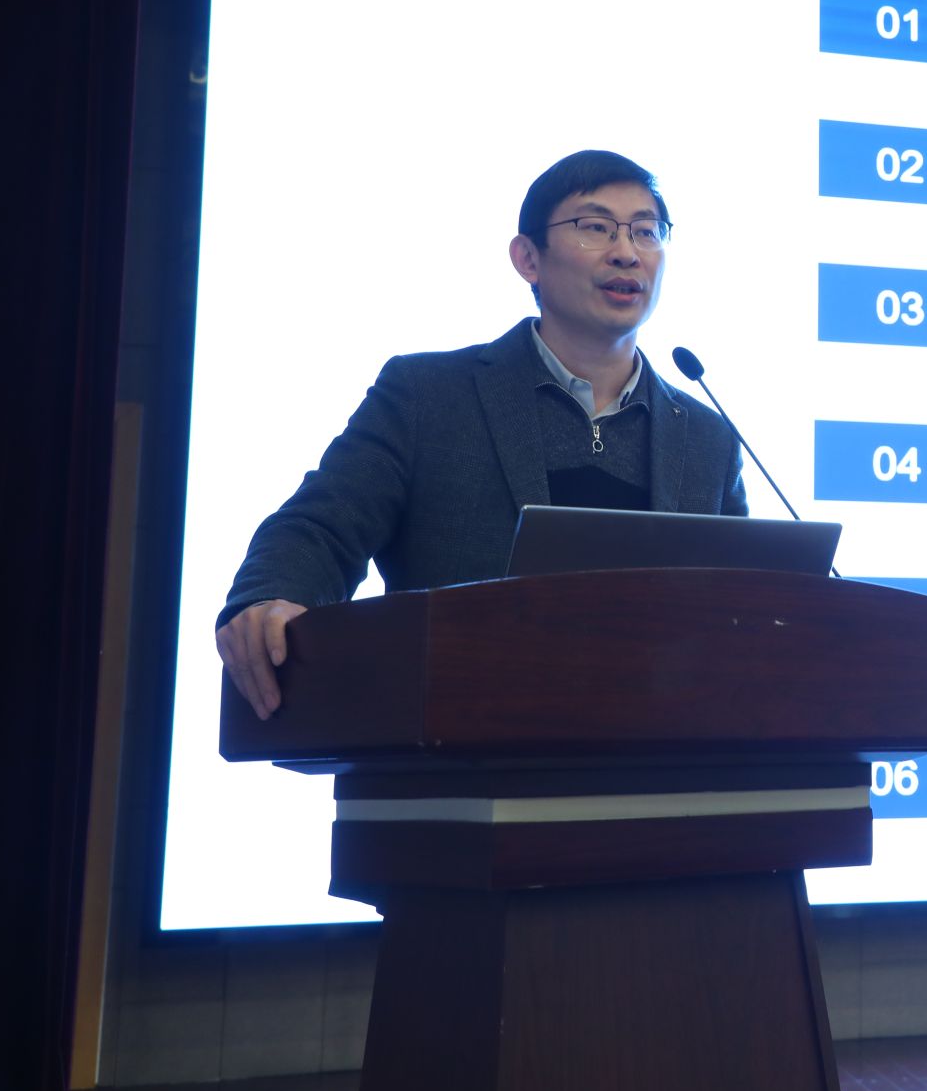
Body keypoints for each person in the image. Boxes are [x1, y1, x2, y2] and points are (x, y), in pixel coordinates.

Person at [215, 149, 745, 720]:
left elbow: (747, 606)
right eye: (595, 227)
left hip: (654, 752)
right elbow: (321, 527)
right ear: (527, 258)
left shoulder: (708, 439)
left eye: (646, 231)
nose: (626, 251)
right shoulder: (429, 396)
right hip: (459, 737)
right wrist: (271, 596)